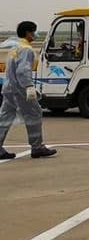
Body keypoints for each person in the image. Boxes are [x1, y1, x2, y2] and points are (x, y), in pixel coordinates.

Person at [0, 21, 56, 160]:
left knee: (5, 118)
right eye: (34, 31)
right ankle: (37, 147)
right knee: (34, 115)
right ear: (28, 33)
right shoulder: (26, 50)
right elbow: (23, 71)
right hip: (20, 90)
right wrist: (29, 87)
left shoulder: (15, 48)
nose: (35, 34)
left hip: (9, 88)